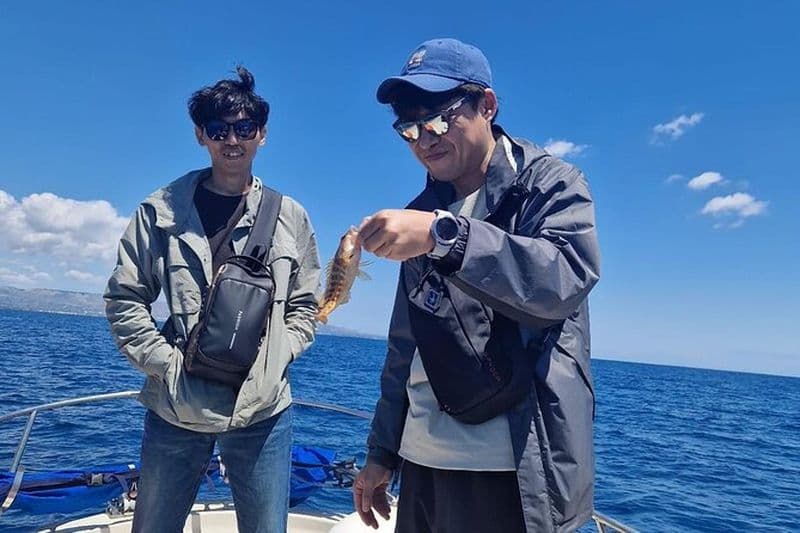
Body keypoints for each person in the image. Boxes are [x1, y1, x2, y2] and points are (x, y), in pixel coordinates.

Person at [353, 38, 601, 532]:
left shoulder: (550, 184)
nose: (424, 140)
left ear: (486, 105)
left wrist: (446, 237)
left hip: (513, 474)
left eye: (439, 119)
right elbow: (405, 346)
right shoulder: (420, 213)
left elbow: (564, 279)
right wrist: (381, 452)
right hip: (421, 465)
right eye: (409, 129)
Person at [104, 66, 320, 533]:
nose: (232, 140)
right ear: (201, 135)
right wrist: (167, 366)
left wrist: (278, 356)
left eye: (244, 128)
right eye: (219, 129)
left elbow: (306, 305)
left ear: (262, 134)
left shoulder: (291, 217)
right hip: (176, 408)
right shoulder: (161, 210)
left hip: (262, 412)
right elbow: (125, 297)